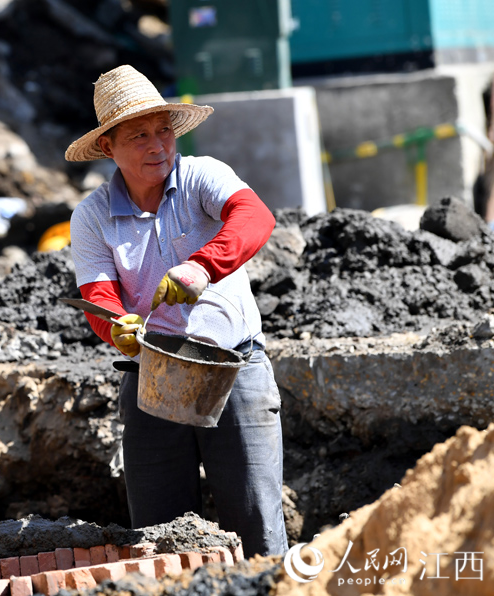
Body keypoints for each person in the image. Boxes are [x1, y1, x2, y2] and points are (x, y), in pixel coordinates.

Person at [66, 65, 287, 557]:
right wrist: (116, 328)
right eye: (139, 135)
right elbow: (99, 296)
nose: (157, 145)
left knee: (256, 525)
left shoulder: (201, 176)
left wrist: (203, 267)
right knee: (161, 537)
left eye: (163, 130)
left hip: (234, 367)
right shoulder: (92, 216)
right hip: (153, 375)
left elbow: (255, 217)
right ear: (108, 148)